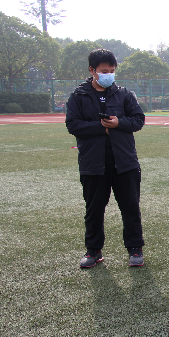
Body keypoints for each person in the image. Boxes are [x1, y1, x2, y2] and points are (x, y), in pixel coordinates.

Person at [66, 48, 146, 268]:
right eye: (104, 71)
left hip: (125, 161)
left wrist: (119, 123)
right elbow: (73, 125)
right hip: (93, 163)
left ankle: (135, 248)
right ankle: (93, 250)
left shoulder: (124, 94)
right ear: (92, 70)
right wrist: (103, 128)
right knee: (94, 209)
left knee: (130, 207)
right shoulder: (78, 96)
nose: (109, 74)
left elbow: (138, 120)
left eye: (112, 71)